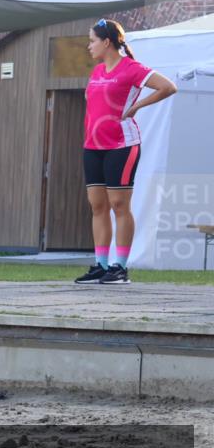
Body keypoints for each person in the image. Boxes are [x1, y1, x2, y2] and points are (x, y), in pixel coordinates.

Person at [75, 18, 177, 284]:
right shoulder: (96, 72)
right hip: (93, 146)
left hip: (122, 145)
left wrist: (138, 106)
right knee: (98, 206)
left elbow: (168, 86)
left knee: (119, 205)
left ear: (106, 42)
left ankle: (119, 267)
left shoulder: (132, 68)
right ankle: (101, 264)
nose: (89, 46)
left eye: (92, 40)